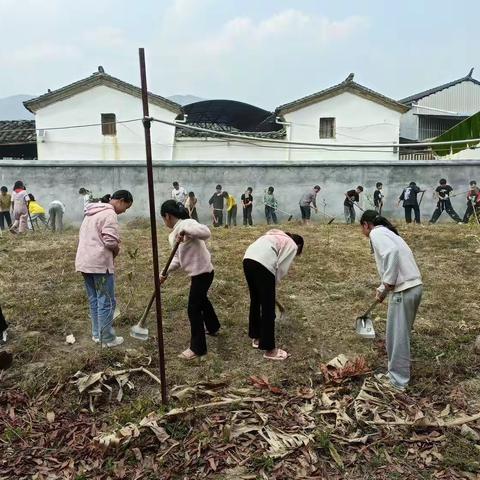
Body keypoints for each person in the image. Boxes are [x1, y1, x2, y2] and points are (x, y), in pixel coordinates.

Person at [359, 210, 422, 390]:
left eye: (361, 228)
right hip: (414, 287)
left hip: (404, 290)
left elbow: (392, 254)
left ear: (366, 224)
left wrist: (386, 285)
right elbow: (395, 261)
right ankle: (398, 375)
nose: (363, 233)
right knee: (401, 334)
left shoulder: (376, 233)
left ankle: (397, 381)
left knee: (396, 338)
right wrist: (384, 290)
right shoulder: (389, 233)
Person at [160, 200, 220, 360]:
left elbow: (206, 232)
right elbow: (178, 259)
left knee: (193, 309)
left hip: (204, 272)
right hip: (198, 274)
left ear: (167, 216)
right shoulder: (173, 235)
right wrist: (164, 272)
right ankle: (213, 326)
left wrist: (187, 230)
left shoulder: (188, 223)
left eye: (163, 218)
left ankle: (197, 348)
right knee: (202, 300)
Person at [75, 190, 134, 347]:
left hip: (84, 261)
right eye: (126, 207)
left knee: (94, 299)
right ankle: (107, 338)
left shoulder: (91, 212)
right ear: (120, 201)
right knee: (106, 300)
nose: (124, 211)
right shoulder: (109, 214)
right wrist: (116, 250)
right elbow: (110, 241)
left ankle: (97, 334)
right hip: (99, 263)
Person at [243, 230, 304, 361]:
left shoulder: (272, 235)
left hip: (248, 259)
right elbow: (280, 268)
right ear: (299, 246)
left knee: (255, 299)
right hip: (263, 263)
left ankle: (256, 337)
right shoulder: (292, 245)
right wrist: (271, 291)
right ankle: (270, 350)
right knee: (268, 308)